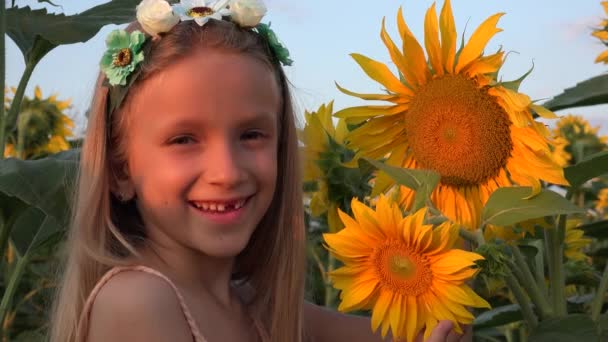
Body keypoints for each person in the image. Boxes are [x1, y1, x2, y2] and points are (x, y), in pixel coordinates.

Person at [48, 0, 471, 341]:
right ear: (120, 170)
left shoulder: (252, 306)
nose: (227, 172)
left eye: (251, 134)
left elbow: (404, 333)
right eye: (184, 140)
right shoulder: (138, 303)